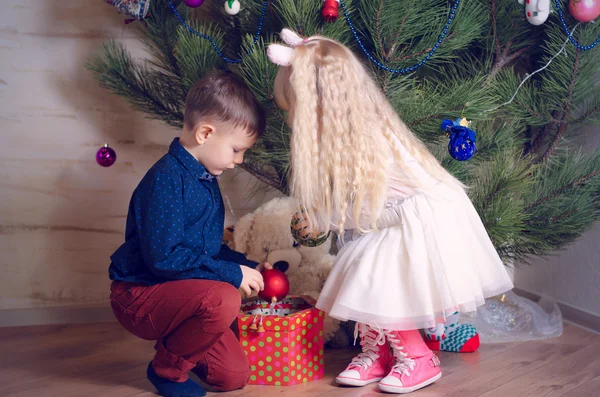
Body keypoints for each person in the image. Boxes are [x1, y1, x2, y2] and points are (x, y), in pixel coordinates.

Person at [267, 29, 513, 394]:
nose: (292, 122)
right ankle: (378, 352)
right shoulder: (345, 137)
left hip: (420, 218)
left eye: (295, 111)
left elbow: (373, 210)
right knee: (363, 270)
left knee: (375, 278)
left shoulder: (367, 140)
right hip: (393, 218)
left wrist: (329, 220)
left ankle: (417, 357)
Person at [108, 70, 270, 397]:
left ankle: (181, 341)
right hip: (140, 294)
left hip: (180, 292)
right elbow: (166, 260)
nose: (239, 160)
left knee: (232, 376)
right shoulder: (166, 180)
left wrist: (247, 265)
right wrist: (229, 273)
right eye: (236, 149)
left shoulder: (205, 180)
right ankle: (166, 370)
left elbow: (204, 252)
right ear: (206, 133)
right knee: (224, 297)